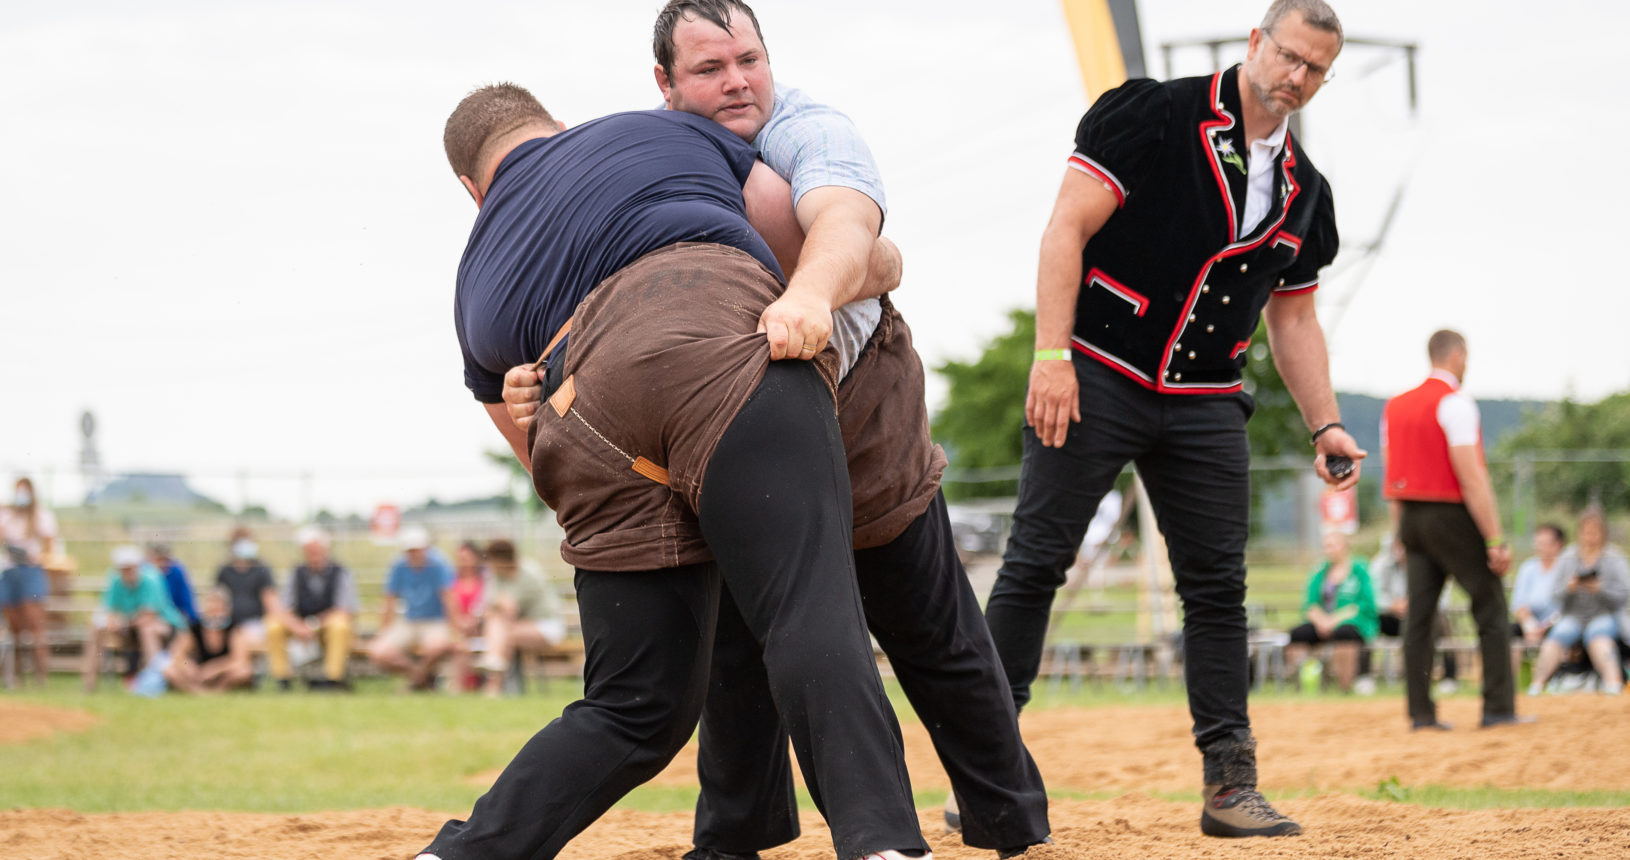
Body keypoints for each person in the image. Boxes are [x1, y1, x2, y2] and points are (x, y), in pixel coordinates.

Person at [494, 5, 1051, 858]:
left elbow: (850, 226)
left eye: (749, 59)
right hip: (737, 412)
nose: (738, 81)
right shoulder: (656, 151)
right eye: (711, 69)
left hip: (858, 400)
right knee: (737, 642)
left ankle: (1008, 817)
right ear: (666, 85)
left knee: (925, 625)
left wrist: (814, 291)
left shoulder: (809, 127)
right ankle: (735, 836)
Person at [419, 83, 927, 860]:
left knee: (632, 704)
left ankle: (462, 853)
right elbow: (799, 238)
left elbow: (536, 455)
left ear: (470, 189)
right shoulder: (655, 134)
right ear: (558, 122)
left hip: (581, 412)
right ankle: (882, 846)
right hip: (713, 330)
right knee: (805, 609)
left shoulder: (473, 277)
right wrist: (882, 262)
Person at [981, 0, 1357, 839]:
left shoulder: (1306, 192)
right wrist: (1051, 356)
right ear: (1256, 42)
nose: (1297, 78)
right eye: (1289, 56)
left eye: (1316, 70)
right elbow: (1064, 230)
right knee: (1035, 561)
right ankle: (986, 769)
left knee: (1219, 592)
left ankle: (1230, 785)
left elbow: (1294, 321)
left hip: (1206, 400)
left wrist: (1325, 422)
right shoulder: (1153, 112)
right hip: (1098, 375)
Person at [1383, 329, 1527, 730]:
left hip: (1410, 515)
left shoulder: (1395, 406)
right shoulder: (1455, 402)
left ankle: (1421, 714)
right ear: (1458, 355)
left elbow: (1393, 473)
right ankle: (1498, 707)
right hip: (1450, 513)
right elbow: (1472, 476)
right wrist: (1495, 538)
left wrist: (1399, 532)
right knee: (1491, 606)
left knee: (1420, 617)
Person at [1528, 508, 1626, 695]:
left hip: (1604, 615)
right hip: (1573, 615)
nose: (1590, 536)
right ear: (1579, 532)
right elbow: (1555, 594)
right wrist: (1569, 587)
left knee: (1598, 636)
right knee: (1558, 636)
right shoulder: (1568, 556)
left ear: (1603, 532)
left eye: (1595, 531)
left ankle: (1613, 683)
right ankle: (1537, 685)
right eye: (1586, 531)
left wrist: (1600, 589)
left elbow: (1624, 594)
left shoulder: (1614, 557)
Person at [266, 526, 358, 691]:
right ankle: (282, 678)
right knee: (274, 625)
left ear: (326, 550)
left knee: (340, 625)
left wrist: (313, 626)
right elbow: (285, 608)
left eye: (317, 550)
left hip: (327, 624)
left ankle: (333, 678)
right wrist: (297, 627)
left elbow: (344, 609)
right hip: (301, 622)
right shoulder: (296, 573)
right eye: (309, 551)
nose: (314, 554)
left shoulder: (341, 572)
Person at [1284, 531, 1377, 693]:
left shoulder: (1359, 570)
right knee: (1298, 633)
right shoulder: (1320, 571)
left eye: (1333, 545)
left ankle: (1346, 684)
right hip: (1322, 622)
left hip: (1352, 622)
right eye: (1326, 546)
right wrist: (1322, 621)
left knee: (1344, 632)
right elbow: (1310, 604)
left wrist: (1334, 620)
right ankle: (1301, 684)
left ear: (1345, 546)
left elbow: (1365, 603)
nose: (1329, 549)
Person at [81, 545, 184, 691]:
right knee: (96, 629)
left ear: (137, 566)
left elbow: (148, 616)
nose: (127, 572)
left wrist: (120, 622)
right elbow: (110, 610)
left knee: (147, 629)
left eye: (130, 567)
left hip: (166, 626)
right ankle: (89, 683)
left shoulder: (151, 578)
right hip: (131, 627)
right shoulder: (115, 579)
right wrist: (113, 622)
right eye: (123, 568)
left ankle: (153, 683)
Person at [370, 526, 460, 691]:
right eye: (410, 551)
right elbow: (388, 600)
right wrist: (383, 631)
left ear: (425, 548)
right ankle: (420, 677)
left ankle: (417, 681)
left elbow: (449, 599)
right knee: (378, 652)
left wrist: (454, 629)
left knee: (436, 647)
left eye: (417, 550)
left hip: (436, 621)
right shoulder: (398, 566)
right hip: (409, 620)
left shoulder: (438, 564)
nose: (414, 554)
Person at [473, 539, 566, 697]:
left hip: (545, 626)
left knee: (502, 632)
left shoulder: (529, 573)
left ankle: (493, 682)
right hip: (513, 628)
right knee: (502, 630)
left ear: (501, 560)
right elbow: (488, 607)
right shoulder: (496, 575)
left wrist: (495, 606)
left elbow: (510, 610)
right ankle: (501, 678)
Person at [1366, 534, 1458, 692]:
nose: (1402, 550)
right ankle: (1364, 676)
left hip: (1423, 615)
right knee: (1368, 623)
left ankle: (1449, 677)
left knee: (1442, 623)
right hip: (1391, 617)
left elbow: (1444, 597)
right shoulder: (1381, 563)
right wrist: (1392, 605)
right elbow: (1372, 594)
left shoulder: (1432, 563)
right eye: (1398, 545)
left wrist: (1416, 605)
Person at [1, 476, 58, 686]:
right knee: (14, 627)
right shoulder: (7, 516)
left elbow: (50, 544)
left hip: (31, 570)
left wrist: (34, 556)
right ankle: (16, 675)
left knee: (36, 627)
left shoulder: (42, 516)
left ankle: (40, 676)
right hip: (10, 571)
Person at [164, 588, 253, 693]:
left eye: (218, 610)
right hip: (198, 672)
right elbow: (179, 655)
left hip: (222, 674)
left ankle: (218, 692)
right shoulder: (195, 629)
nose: (214, 614)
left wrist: (214, 669)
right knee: (169, 671)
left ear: (226, 610)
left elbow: (239, 660)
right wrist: (188, 666)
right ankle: (197, 692)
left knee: (244, 671)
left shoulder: (235, 630)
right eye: (211, 610)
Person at [214, 533, 281, 649]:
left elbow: (270, 599)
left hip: (256, 624)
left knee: (239, 641)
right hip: (228, 624)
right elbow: (217, 598)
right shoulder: (224, 571)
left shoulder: (261, 569)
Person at [1510, 524, 1566, 648]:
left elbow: (1568, 607)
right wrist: (1530, 626)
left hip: (1557, 624)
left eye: (1544, 543)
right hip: (1530, 624)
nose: (1539, 547)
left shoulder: (1566, 568)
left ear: (1558, 544)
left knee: (1563, 632)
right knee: (1506, 633)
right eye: (1538, 543)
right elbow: (1519, 603)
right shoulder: (1528, 567)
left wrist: (1545, 627)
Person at [148, 543, 199, 630]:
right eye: (159, 560)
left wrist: (187, 615)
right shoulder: (147, 575)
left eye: (165, 560)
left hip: (177, 614)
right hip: (154, 616)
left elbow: (185, 597)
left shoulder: (177, 572)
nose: (162, 564)